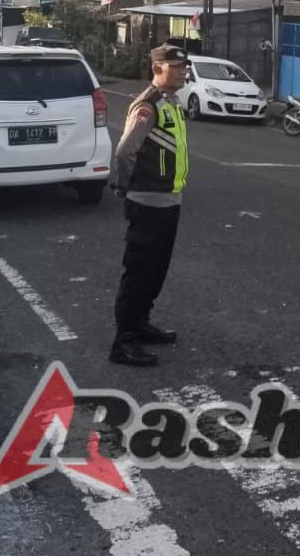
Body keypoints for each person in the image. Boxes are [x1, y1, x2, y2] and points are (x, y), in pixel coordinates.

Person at [109, 44, 190, 367]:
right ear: (157, 69)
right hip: (148, 201)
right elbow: (124, 152)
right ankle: (123, 341)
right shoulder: (148, 105)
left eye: (184, 66)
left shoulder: (171, 103)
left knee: (156, 271)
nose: (183, 72)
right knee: (140, 272)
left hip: (169, 200)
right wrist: (124, 188)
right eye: (176, 67)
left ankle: (141, 324)